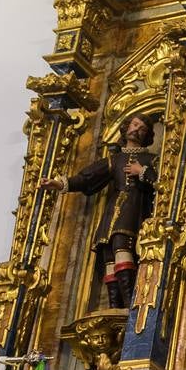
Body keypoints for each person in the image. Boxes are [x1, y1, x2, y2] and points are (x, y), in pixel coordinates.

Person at [39, 113, 158, 308]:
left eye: (142, 129)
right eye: (135, 125)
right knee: (108, 254)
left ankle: (130, 306)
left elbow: (162, 182)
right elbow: (88, 177)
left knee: (121, 245)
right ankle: (114, 308)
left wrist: (142, 171)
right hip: (113, 211)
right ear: (127, 127)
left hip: (133, 208)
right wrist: (59, 184)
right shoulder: (115, 159)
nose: (137, 130)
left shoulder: (151, 159)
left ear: (147, 135)